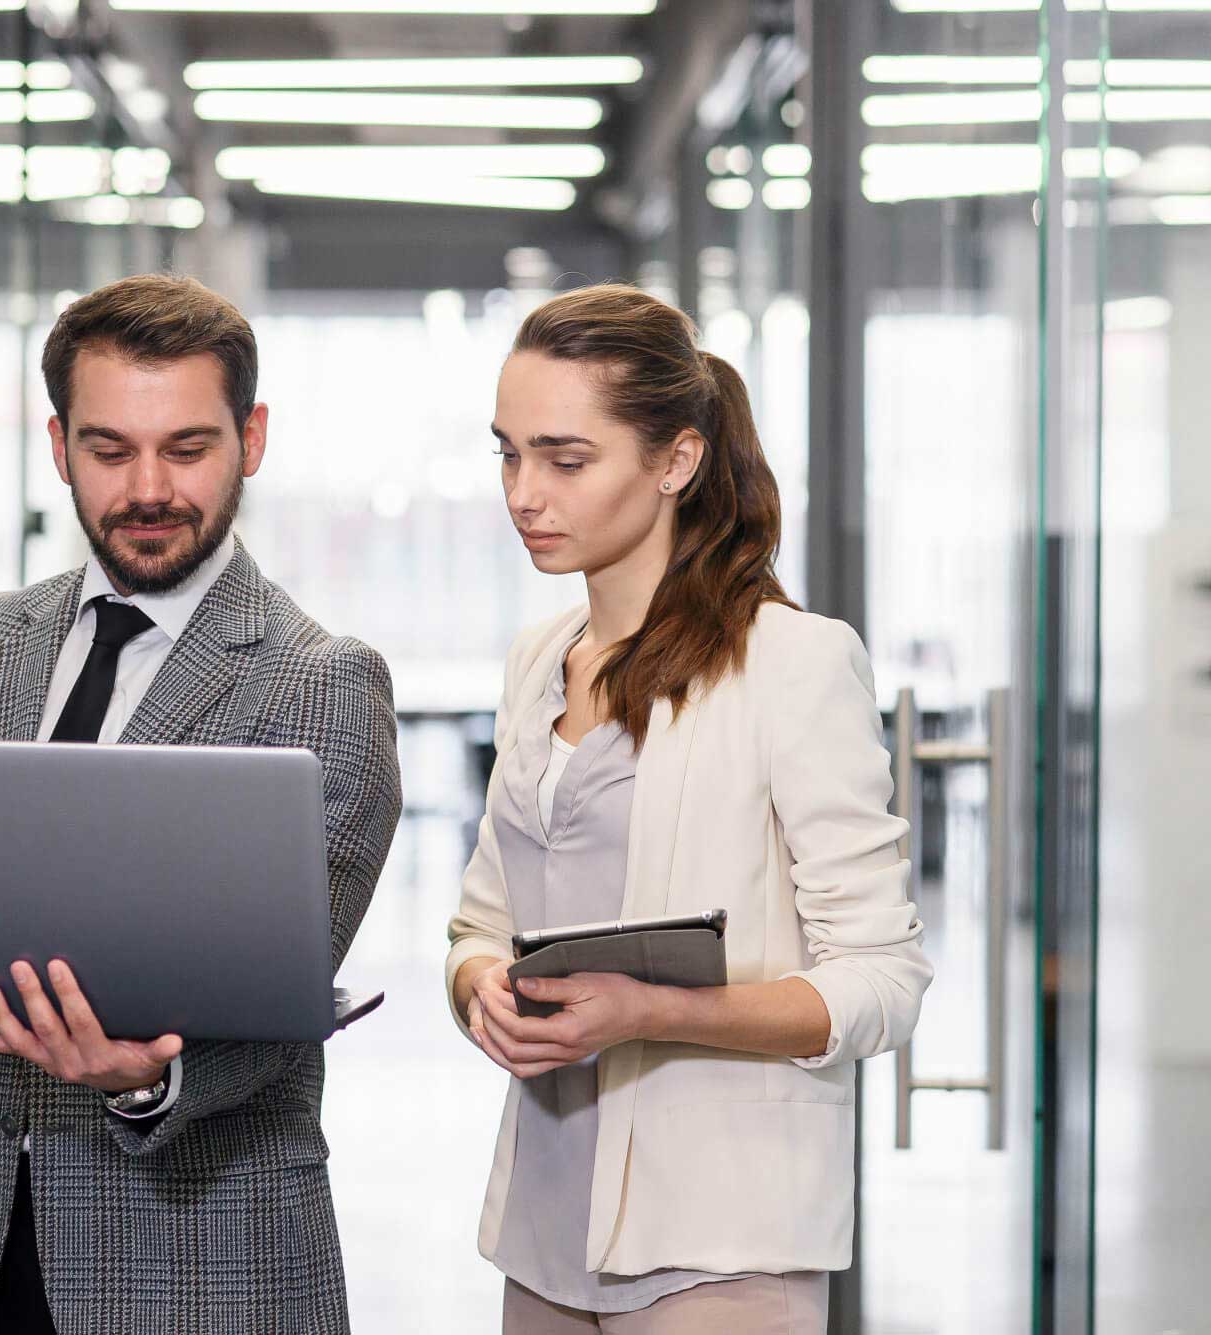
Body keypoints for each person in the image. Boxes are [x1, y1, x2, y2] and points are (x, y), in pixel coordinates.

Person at [0, 273, 403, 1335]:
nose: (147, 488)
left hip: (201, 1260)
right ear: (57, 448)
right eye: (108, 449)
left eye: (186, 448)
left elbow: (282, 991)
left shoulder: (318, 679)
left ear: (251, 438)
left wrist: (148, 1080)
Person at [446, 283, 933, 1335]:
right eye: (507, 453)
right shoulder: (539, 661)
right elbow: (481, 919)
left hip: (722, 1243)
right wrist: (478, 984)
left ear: (674, 461)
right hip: (543, 1222)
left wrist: (651, 1012)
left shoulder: (790, 664)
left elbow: (882, 981)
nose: (524, 493)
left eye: (565, 459)